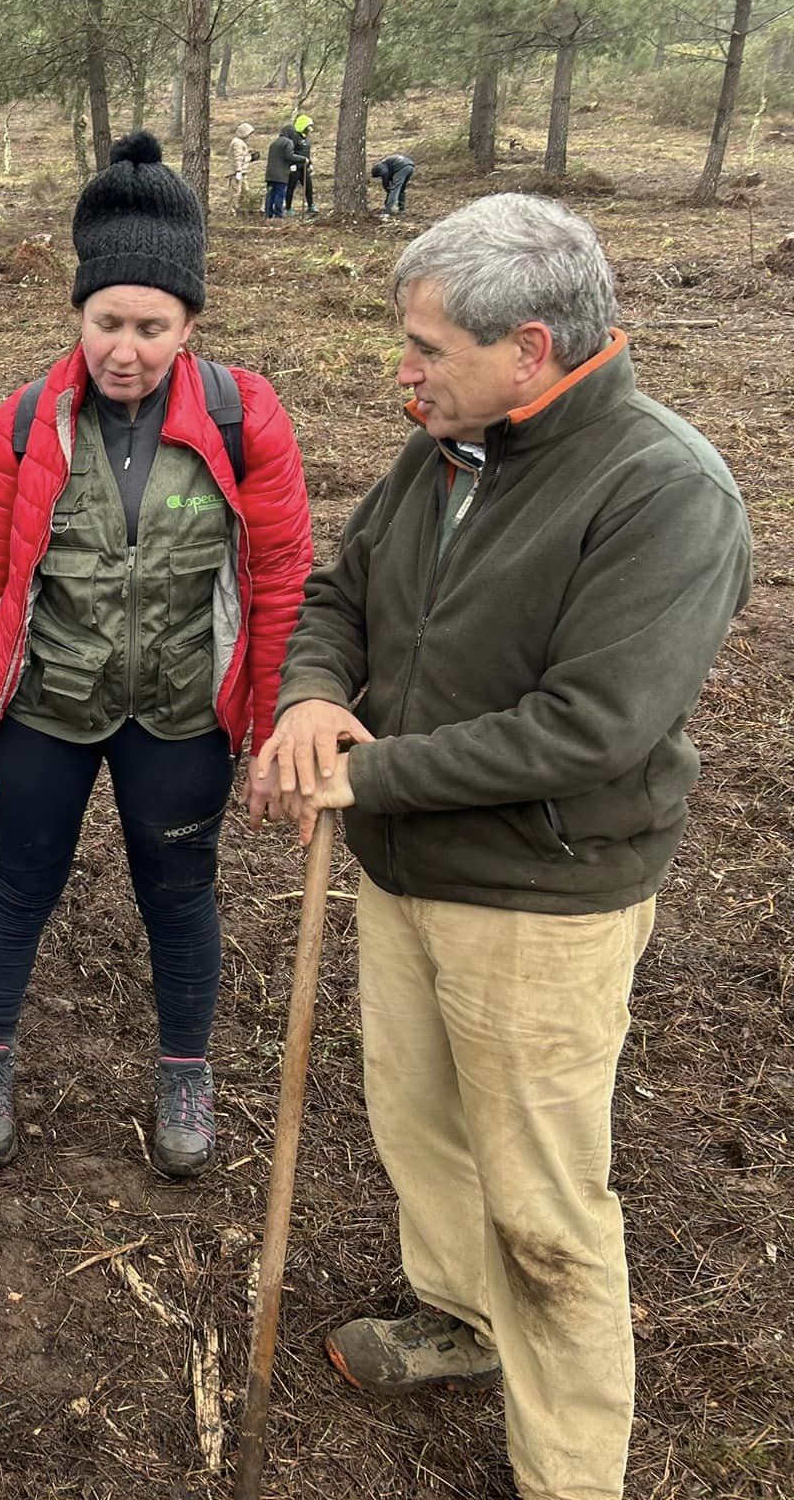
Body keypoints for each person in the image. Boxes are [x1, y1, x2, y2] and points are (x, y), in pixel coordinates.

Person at [256, 194, 752, 1500]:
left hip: (541, 903)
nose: (401, 371)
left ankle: (570, 1471)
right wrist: (313, 695)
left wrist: (368, 778)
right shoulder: (444, 448)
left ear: (529, 348)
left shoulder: (665, 493)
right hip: (406, 875)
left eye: (425, 345)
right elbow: (342, 594)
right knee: (421, 1129)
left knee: (545, 1210)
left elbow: (589, 729)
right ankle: (460, 1323)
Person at [0, 132, 313, 1177]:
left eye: (150, 325)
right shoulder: (23, 423)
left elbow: (280, 580)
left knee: (179, 895)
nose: (124, 348)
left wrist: (272, 729)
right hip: (46, 704)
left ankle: (184, 1069)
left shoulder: (242, 418)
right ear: (77, 315)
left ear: (189, 322)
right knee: (17, 885)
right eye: (105, 322)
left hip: (183, 714)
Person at [263, 125, 297, 219]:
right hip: (281, 175)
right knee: (279, 194)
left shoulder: (273, 143)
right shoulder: (288, 142)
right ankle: (278, 214)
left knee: (270, 194)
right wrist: (302, 159)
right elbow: (289, 156)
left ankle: (268, 214)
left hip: (270, 174)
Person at [286, 113, 316, 216]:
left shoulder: (306, 139)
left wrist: (310, 163)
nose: (310, 129)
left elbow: (306, 153)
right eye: (308, 126)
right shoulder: (294, 137)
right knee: (291, 187)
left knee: (308, 186)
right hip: (295, 168)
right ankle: (288, 208)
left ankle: (311, 205)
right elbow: (290, 152)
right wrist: (291, 164)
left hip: (304, 167)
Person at [371, 152, 415, 217]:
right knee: (401, 189)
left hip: (401, 167)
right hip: (410, 166)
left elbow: (384, 173)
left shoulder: (380, 166)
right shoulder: (387, 164)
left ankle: (388, 211)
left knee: (394, 189)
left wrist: (386, 186)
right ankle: (401, 209)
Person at [229, 122, 255, 211]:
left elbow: (242, 157)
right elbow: (238, 158)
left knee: (245, 191)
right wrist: (238, 171)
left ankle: (240, 208)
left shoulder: (240, 142)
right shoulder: (237, 143)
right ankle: (232, 211)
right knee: (236, 192)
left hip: (242, 172)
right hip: (237, 172)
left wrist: (250, 157)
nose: (250, 136)